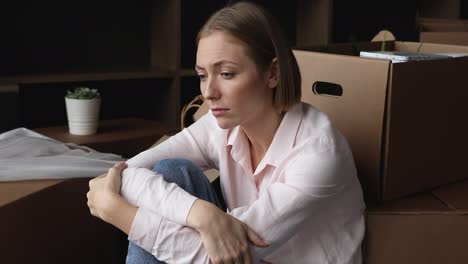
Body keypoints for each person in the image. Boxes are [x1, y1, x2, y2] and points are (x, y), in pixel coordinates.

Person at [86, 1, 365, 263]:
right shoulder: (223, 126)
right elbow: (124, 173)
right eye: (203, 76)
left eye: (227, 74)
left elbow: (213, 258)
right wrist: (202, 215)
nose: (209, 93)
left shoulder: (318, 153)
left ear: (273, 74)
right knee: (173, 171)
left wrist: (119, 214)